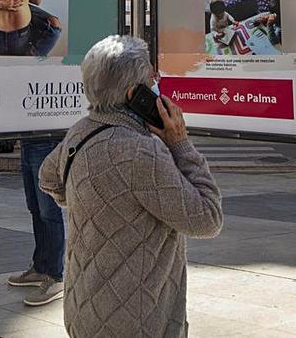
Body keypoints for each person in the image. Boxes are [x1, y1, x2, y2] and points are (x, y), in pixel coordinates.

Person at [39, 35, 222, 337]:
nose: (157, 85)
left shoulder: (80, 131)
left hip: (83, 309)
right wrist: (181, 145)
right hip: (137, 320)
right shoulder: (139, 152)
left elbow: (48, 177)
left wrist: (90, 201)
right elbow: (207, 218)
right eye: (152, 80)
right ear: (134, 93)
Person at [6, 135, 67, 306]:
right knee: (35, 208)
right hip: (27, 142)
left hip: (47, 143)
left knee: (49, 212)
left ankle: (55, 277)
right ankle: (40, 268)